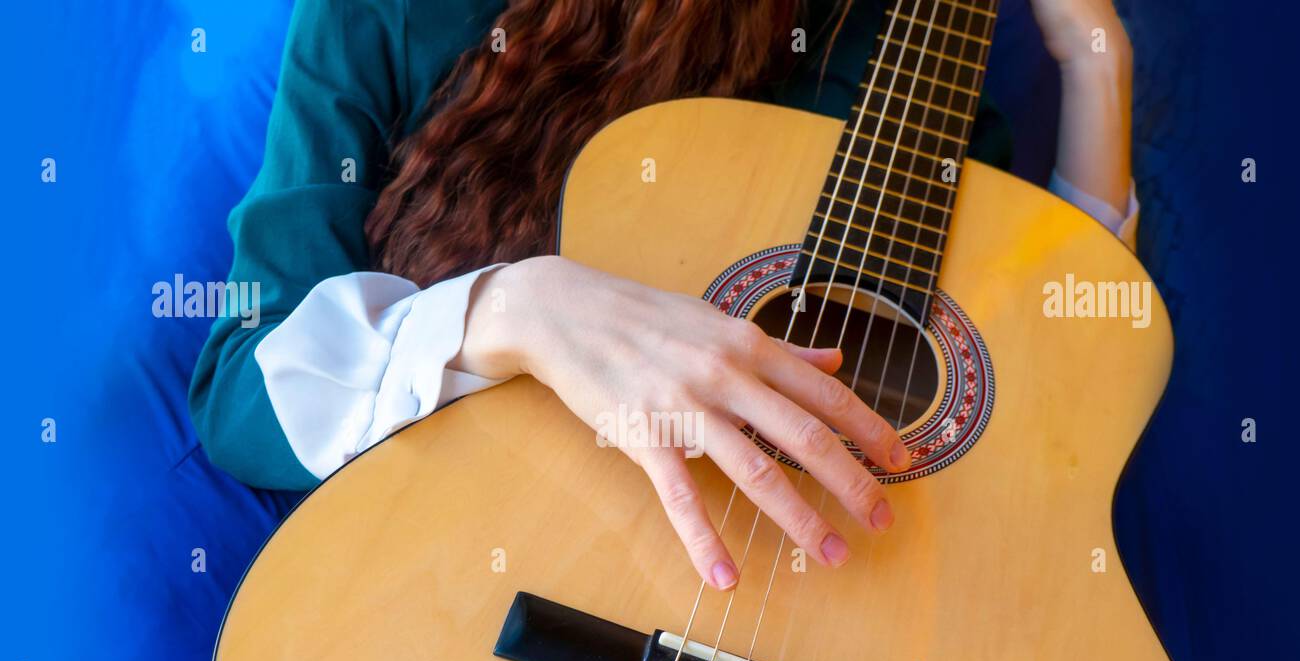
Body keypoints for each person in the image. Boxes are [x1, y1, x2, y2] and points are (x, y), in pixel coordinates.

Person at [190, 0, 1137, 591]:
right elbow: (244, 387)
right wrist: (515, 309)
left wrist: (1098, 68)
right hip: (488, 616)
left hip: (788, 621)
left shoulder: (888, 63)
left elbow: (1046, 418)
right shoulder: (389, 12)